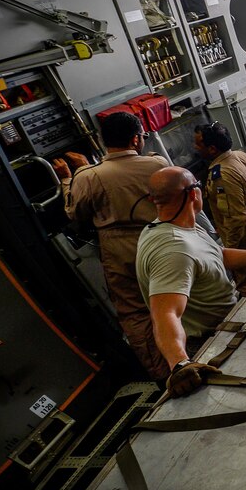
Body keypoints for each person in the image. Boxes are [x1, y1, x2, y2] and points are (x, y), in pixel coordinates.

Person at [136, 167, 246, 397]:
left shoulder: (178, 226)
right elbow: (165, 314)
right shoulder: (174, 250)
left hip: (232, 322)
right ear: (193, 193)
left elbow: (216, 256)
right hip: (215, 341)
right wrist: (179, 364)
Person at [53, 112, 170, 379]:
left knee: (136, 312)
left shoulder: (88, 176)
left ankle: (166, 373)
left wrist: (69, 177)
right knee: (178, 293)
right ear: (136, 139)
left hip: (120, 250)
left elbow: (75, 213)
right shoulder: (156, 164)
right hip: (162, 239)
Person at [193, 121, 246, 295]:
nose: (195, 147)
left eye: (199, 144)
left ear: (212, 149)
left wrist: (229, 251)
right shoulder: (241, 156)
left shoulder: (222, 175)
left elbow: (236, 218)